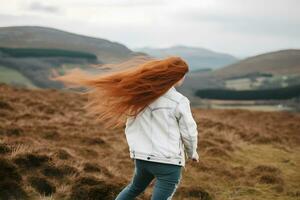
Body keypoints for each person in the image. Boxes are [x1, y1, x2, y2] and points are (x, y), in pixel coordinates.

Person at [51, 56, 199, 200]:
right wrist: (192, 153)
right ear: (177, 77)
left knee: (134, 188)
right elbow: (189, 132)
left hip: (142, 157)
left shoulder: (141, 95)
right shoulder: (179, 101)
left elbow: (131, 123)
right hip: (168, 161)